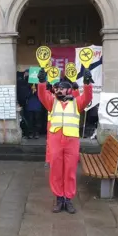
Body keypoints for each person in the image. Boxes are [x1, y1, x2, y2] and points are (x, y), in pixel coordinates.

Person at [37, 68, 93, 214]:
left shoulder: (77, 103)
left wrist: (87, 83)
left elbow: (87, 97)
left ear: (69, 91)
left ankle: (68, 198)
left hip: (71, 141)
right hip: (56, 140)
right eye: (58, 88)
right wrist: (42, 82)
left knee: (70, 171)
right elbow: (42, 95)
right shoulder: (52, 102)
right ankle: (58, 198)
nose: (59, 90)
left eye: (62, 88)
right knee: (55, 170)